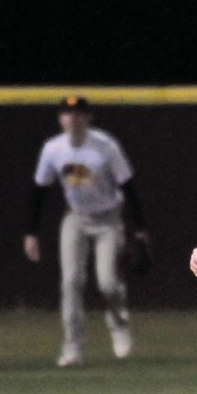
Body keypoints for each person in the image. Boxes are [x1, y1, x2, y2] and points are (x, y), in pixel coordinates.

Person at [23, 95, 149, 367]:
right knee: (70, 282)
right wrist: (31, 233)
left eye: (79, 113)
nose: (74, 118)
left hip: (108, 219)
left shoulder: (105, 146)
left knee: (106, 282)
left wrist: (139, 229)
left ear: (88, 118)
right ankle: (72, 349)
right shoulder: (53, 149)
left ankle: (118, 323)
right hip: (76, 218)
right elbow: (39, 191)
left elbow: (128, 186)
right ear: (61, 119)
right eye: (68, 114)